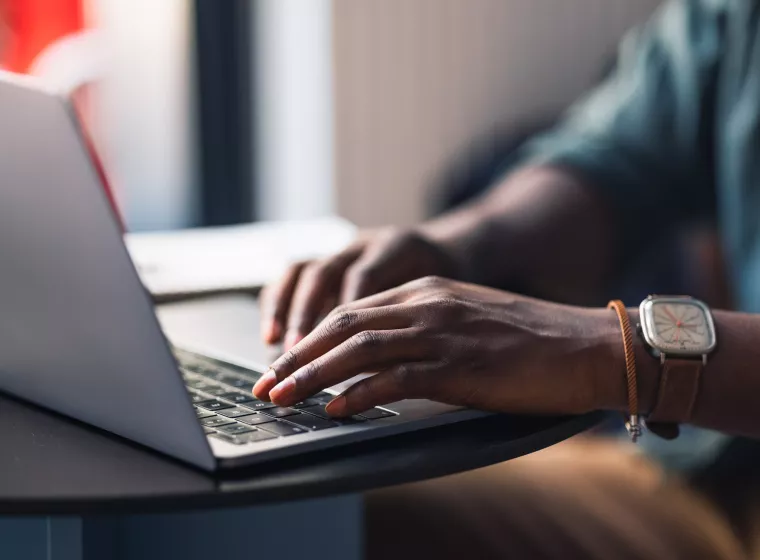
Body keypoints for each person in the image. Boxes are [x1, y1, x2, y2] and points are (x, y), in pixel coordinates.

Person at [254, 1, 760, 558]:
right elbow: (623, 156)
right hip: (719, 475)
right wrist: (460, 244)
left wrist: (610, 352)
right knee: (311, 515)